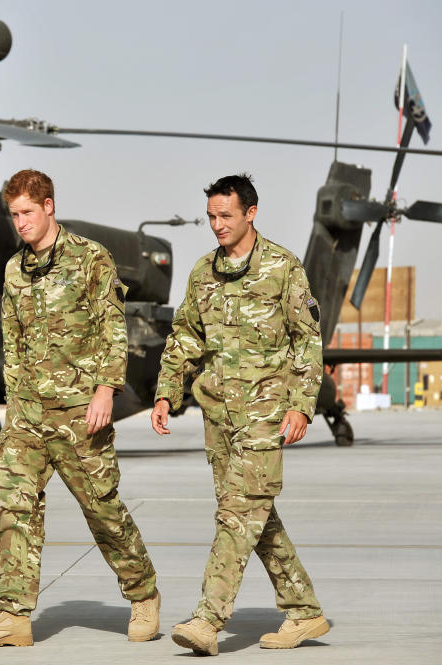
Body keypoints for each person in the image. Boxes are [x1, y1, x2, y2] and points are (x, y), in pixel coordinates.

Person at [0, 169, 159, 648]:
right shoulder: (14, 270)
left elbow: (114, 328)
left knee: (103, 510)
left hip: (79, 412)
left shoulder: (92, 258)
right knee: (14, 505)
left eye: (28, 212)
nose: (21, 223)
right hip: (27, 415)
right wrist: (14, 402)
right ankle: (12, 616)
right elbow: (13, 339)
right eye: (14, 215)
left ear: (49, 206)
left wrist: (107, 390)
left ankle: (143, 594)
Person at [151, 174, 329, 656]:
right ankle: (305, 611)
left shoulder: (282, 267)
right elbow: (185, 335)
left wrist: (302, 407)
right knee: (255, 516)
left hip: (265, 417)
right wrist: (168, 391)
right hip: (219, 418)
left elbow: (307, 342)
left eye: (225, 215)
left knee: (237, 516)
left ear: (251, 213)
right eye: (211, 216)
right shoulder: (203, 272)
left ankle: (208, 620)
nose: (216, 225)